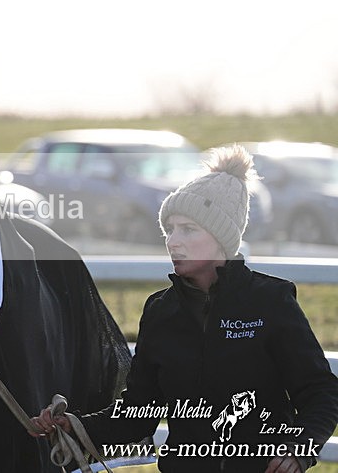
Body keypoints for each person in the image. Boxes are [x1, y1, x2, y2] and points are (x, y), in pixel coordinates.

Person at [31, 145, 338, 472]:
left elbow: (320, 393)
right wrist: (76, 427)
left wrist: (298, 451)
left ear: (222, 237)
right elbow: (139, 413)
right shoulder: (160, 311)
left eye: (188, 229)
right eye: (170, 229)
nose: (172, 241)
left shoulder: (271, 301)